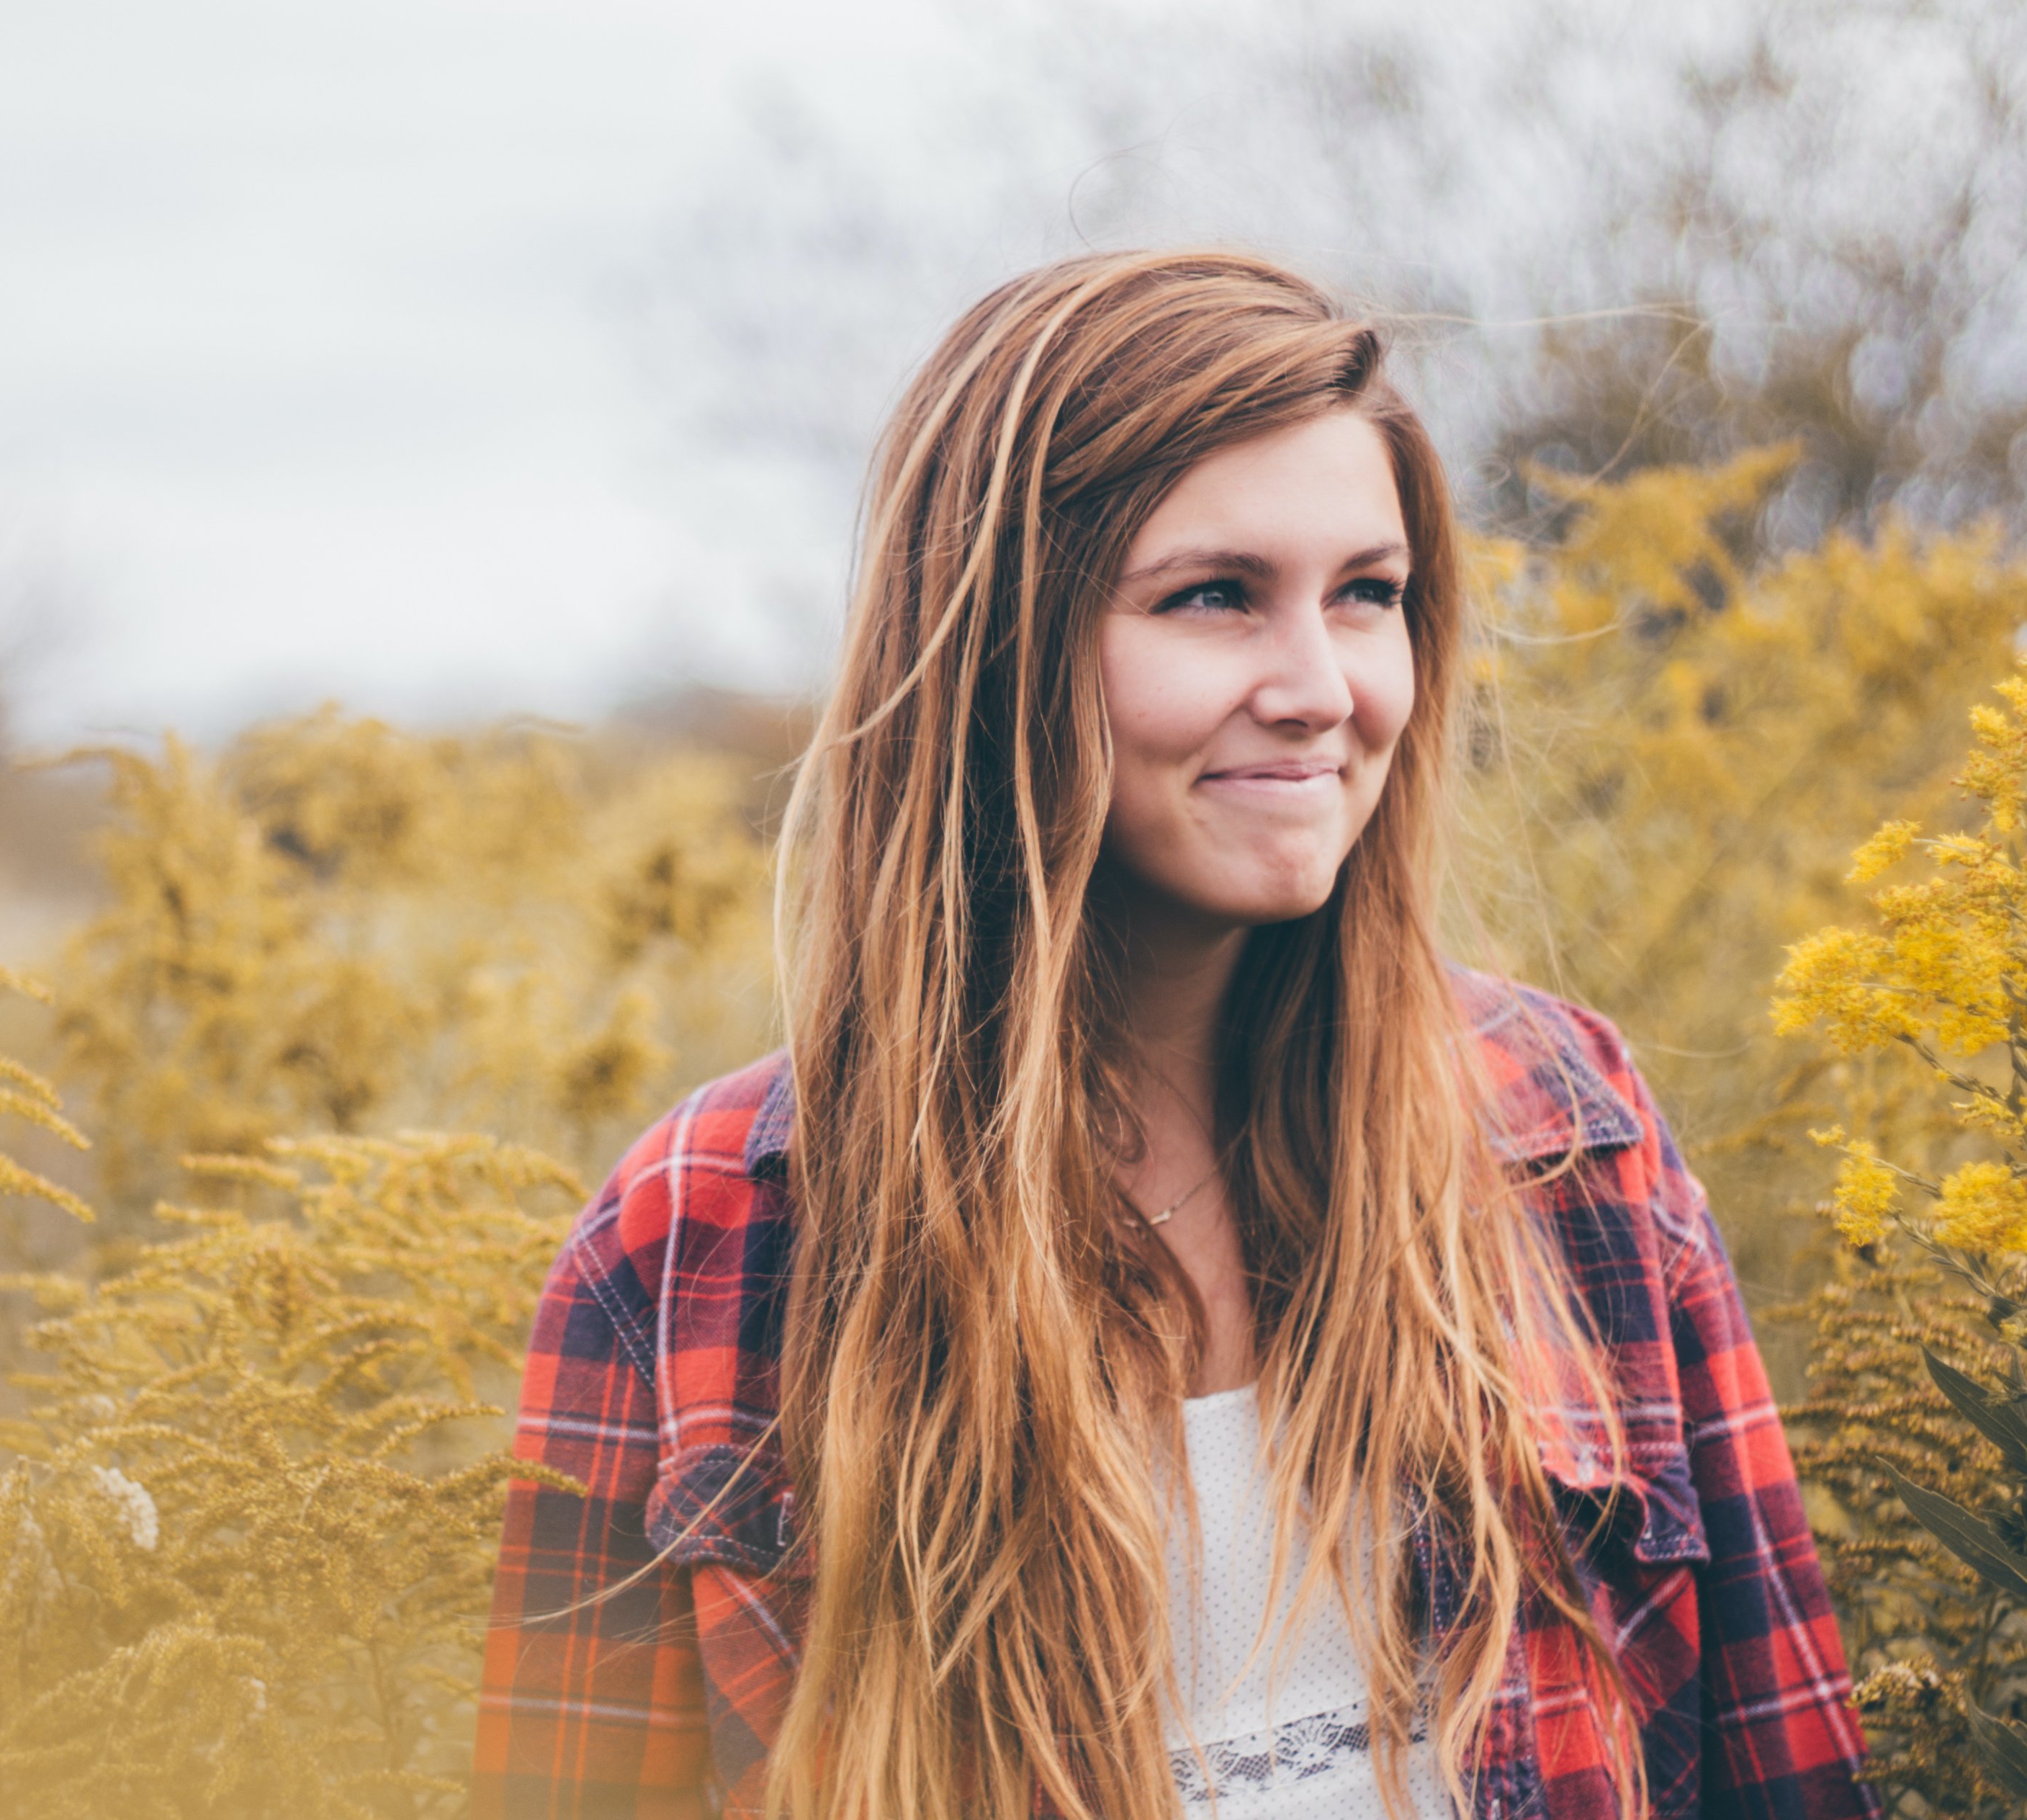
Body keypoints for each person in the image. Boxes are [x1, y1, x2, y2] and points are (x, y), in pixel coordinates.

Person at [471, 251, 1873, 1820]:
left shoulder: (1561, 1137)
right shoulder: (698, 1242)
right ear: (998, 644)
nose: (1319, 687)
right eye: (1214, 597)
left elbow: (1792, 1774)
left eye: (1367, 594)